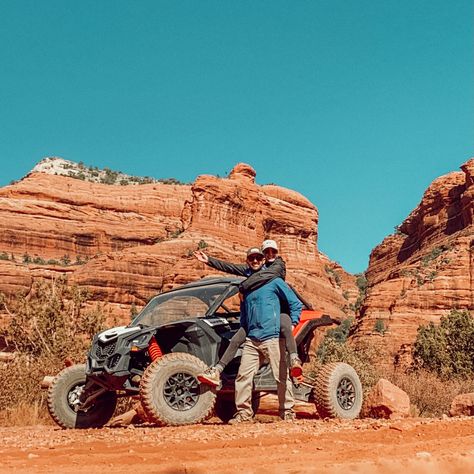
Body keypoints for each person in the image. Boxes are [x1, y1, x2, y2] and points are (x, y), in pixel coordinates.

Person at [193, 240, 302, 387]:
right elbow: (231, 268)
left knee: (285, 326)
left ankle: (294, 360)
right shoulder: (252, 271)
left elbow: (289, 298)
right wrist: (209, 261)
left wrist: (243, 287)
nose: (270, 254)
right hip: (258, 316)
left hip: (279, 309)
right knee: (236, 339)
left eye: (273, 252)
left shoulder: (277, 266)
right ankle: (217, 370)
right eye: (267, 252)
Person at [229, 275, 303, 423]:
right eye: (252, 258)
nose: (255, 260)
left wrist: (292, 323)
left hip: (272, 337)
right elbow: (244, 315)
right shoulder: (246, 289)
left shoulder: (274, 282)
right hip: (252, 340)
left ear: (262, 261)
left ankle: (287, 412)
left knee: (281, 376)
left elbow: (296, 304)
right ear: (248, 261)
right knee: (243, 377)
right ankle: (244, 414)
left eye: (258, 258)